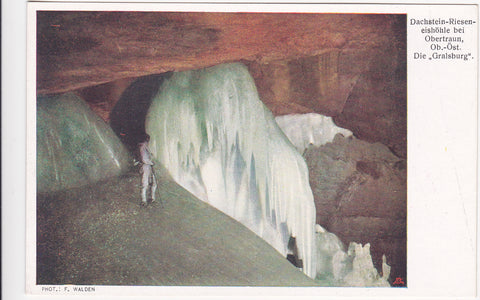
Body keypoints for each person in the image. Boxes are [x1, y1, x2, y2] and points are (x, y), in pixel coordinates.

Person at [138, 134, 157, 206]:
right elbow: (144, 159)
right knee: (145, 183)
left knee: (153, 183)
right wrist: (151, 162)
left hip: (149, 166)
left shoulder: (146, 147)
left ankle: (152, 198)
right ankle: (144, 200)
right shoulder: (143, 147)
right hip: (146, 167)